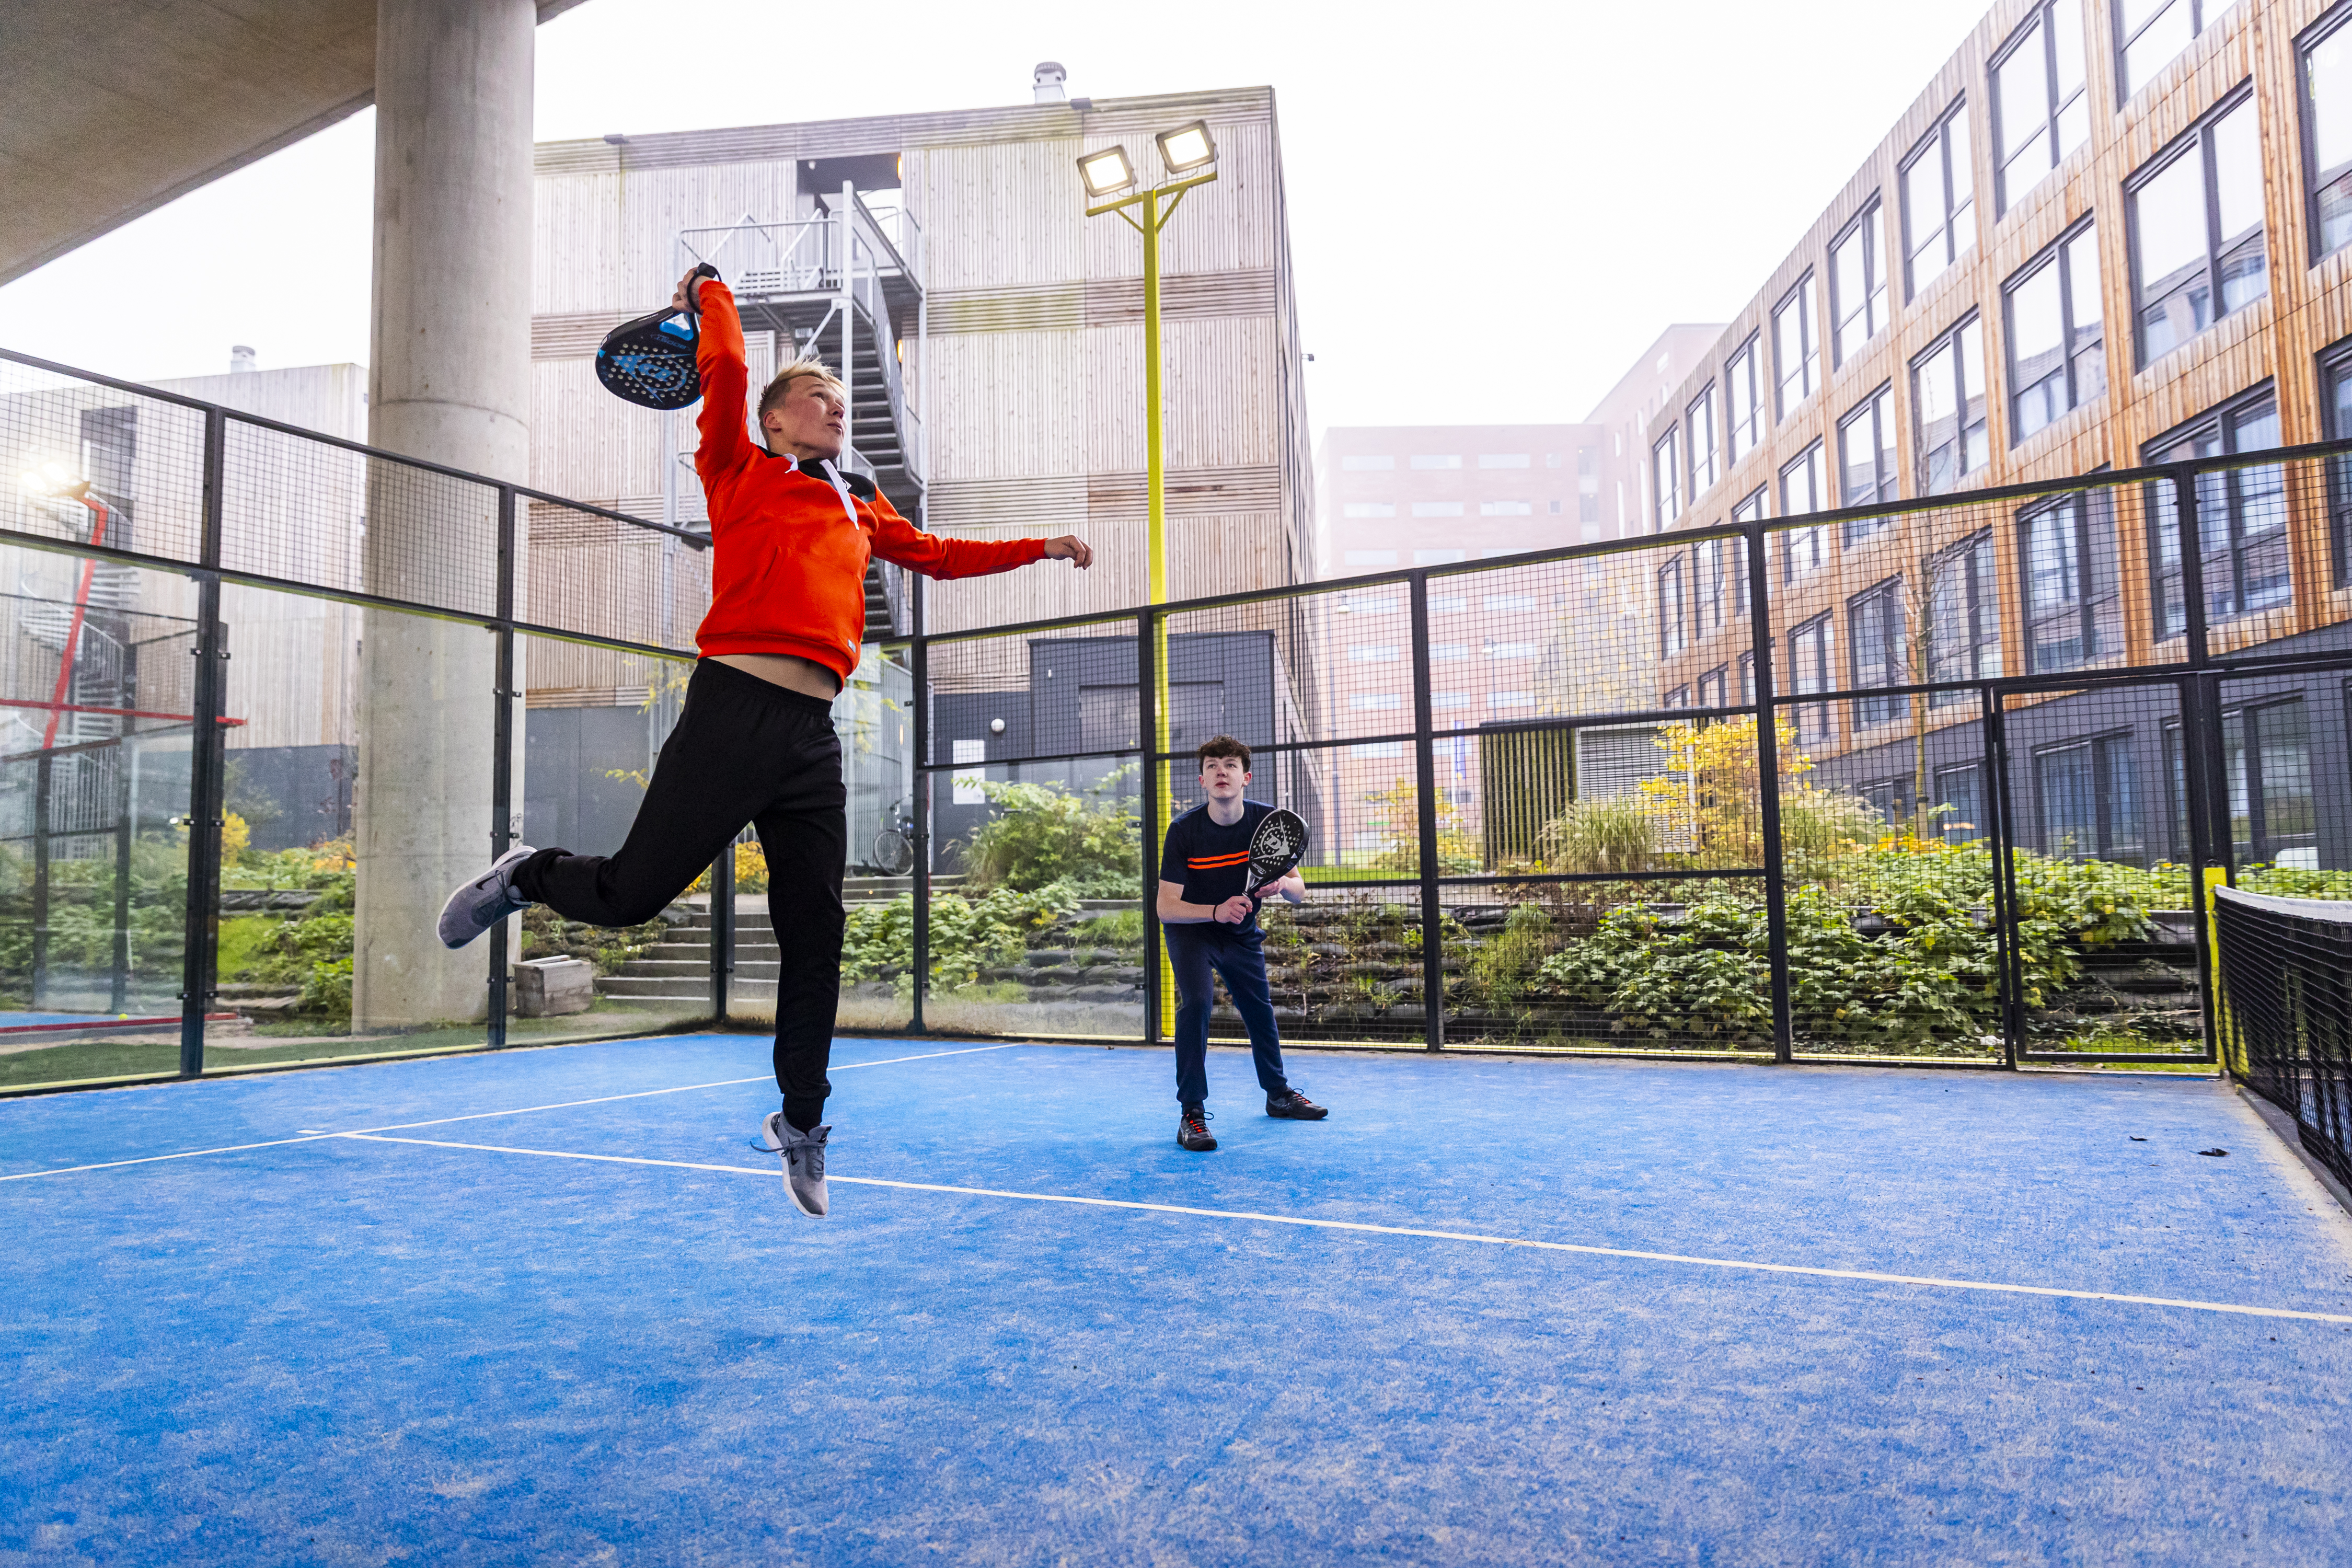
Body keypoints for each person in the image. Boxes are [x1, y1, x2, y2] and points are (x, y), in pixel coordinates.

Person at [437, 264, 1093, 1217]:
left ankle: (801, 1121)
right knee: (629, 896)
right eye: (817, 400)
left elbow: (943, 558)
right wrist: (711, 291)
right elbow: (731, 365)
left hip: (810, 736)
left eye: (839, 402)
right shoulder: (736, 467)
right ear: (775, 420)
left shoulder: (858, 505)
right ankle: (527, 875)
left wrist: (1041, 544)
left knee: (816, 933)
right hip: (732, 709)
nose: (835, 409)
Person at [1155, 735, 1327, 1152]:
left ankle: (1279, 1096)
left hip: (1241, 934)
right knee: (1196, 1002)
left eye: (1230, 765)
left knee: (1258, 1007)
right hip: (1193, 931)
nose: (1221, 772)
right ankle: (1191, 1114)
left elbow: (1299, 891)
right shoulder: (1183, 832)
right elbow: (1166, 907)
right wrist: (1215, 910)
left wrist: (1280, 884)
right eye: (1212, 765)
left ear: (1245, 777)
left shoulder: (1268, 823)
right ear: (1202, 780)